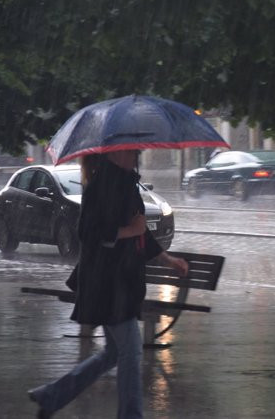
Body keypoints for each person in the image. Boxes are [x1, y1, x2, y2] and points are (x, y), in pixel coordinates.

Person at [28, 150, 188, 419]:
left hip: (120, 283)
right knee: (131, 351)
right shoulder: (101, 186)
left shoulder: (125, 184)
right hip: (109, 285)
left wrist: (167, 259)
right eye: (133, 150)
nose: (138, 153)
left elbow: (141, 233)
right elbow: (89, 233)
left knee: (115, 352)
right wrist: (130, 232)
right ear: (117, 153)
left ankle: (52, 395)